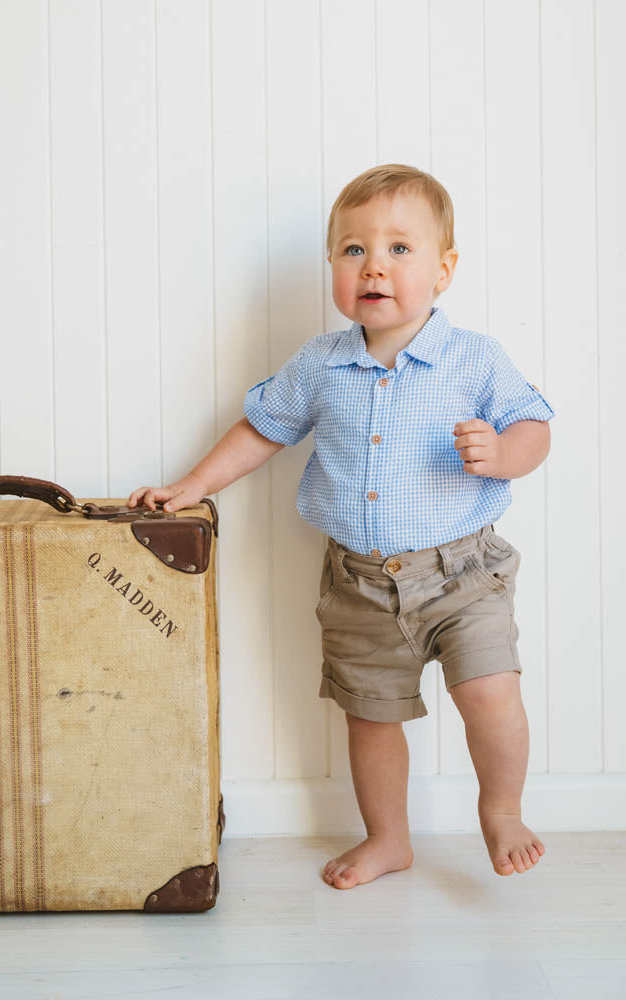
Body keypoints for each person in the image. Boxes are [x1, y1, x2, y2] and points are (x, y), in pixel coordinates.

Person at [127, 163, 554, 889]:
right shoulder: (320, 365)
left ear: (444, 270)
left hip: (463, 574)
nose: (374, 266)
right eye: (353, 250)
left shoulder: (474, 357)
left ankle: (503, 808)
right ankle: (388, 837)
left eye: (398, 249)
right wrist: (192, 485)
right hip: (359, 582)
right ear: (333, 266)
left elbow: (535, 428)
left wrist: (502, 453)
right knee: (370, 718)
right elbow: (262, 430)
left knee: (490, 690)